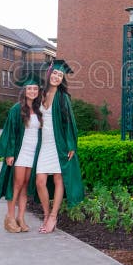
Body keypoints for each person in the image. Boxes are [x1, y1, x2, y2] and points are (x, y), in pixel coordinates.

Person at [29, 59, 84, 233]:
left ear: (62, 79)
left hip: (58, 143)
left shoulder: (63, 97)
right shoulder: (40, 94)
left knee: (59, 179)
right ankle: (46, 214)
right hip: (43, 144)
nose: (57, 77)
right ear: (49, 74)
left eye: (60, 75)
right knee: (40, 181)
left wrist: (71, 144)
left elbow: (70, 122)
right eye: (55, 73)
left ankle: (53, 216)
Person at [0, 74, 43, 233]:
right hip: (20, 153)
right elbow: (10, 132)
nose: (32, 91)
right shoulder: (16, 109)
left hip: (32, 153)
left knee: (25, 187)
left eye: (35, 89)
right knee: (17, 184)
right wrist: (9, 154)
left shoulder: (39, 109)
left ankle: (21, 217)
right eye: (29, 88)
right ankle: (9, 217)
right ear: (24, 90)